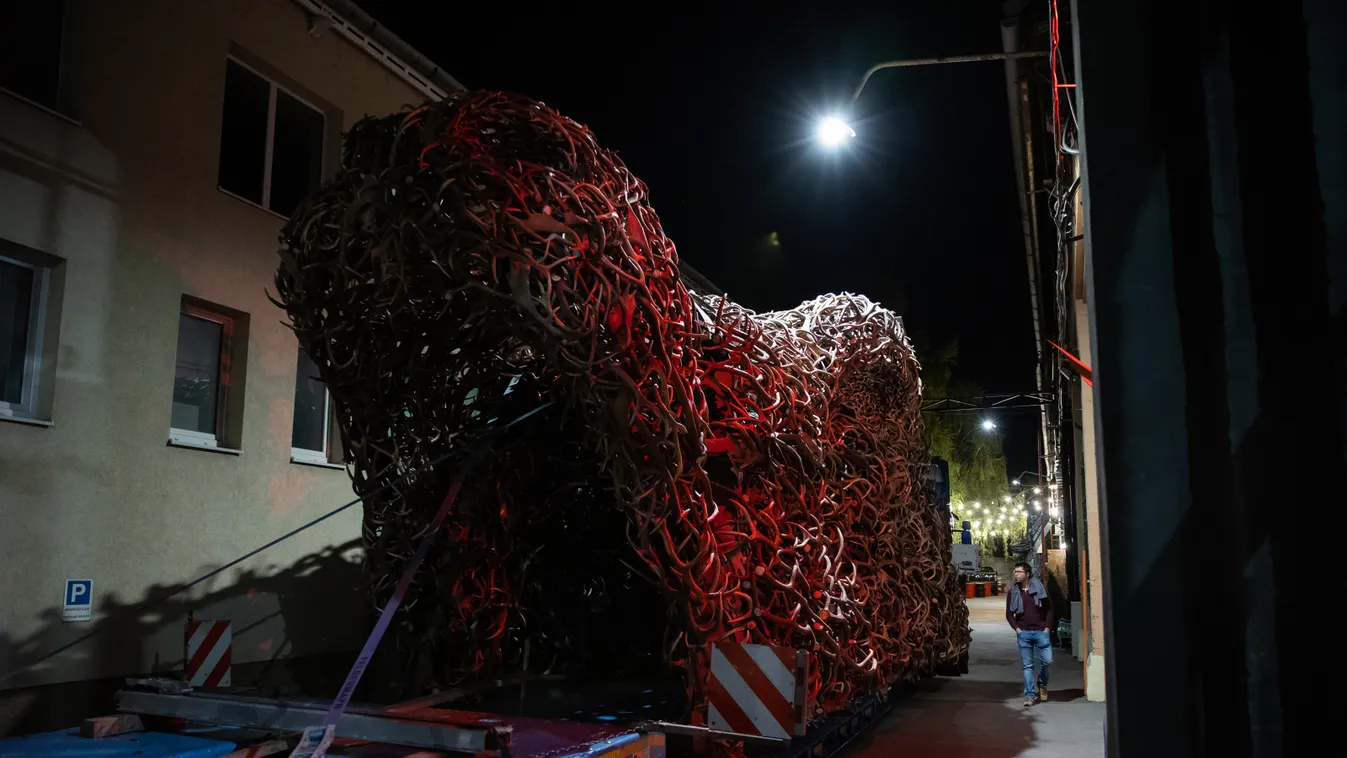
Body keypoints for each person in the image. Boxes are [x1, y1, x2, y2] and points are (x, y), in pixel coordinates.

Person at [1006, 560, 1054, 706]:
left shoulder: (1040, 589)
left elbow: (1050, 609)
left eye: (1019, 572)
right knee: (1028, 666)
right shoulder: (1013, 592)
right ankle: (1029, 695)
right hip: (1024, 633)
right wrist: (1018, 630)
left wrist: (1046, 628)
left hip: (1041, 632)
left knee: (1047, 661)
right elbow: (1009, 614)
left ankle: (1042, 684)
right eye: (1015, 572)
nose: (1016, 574)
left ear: (1027, 574)